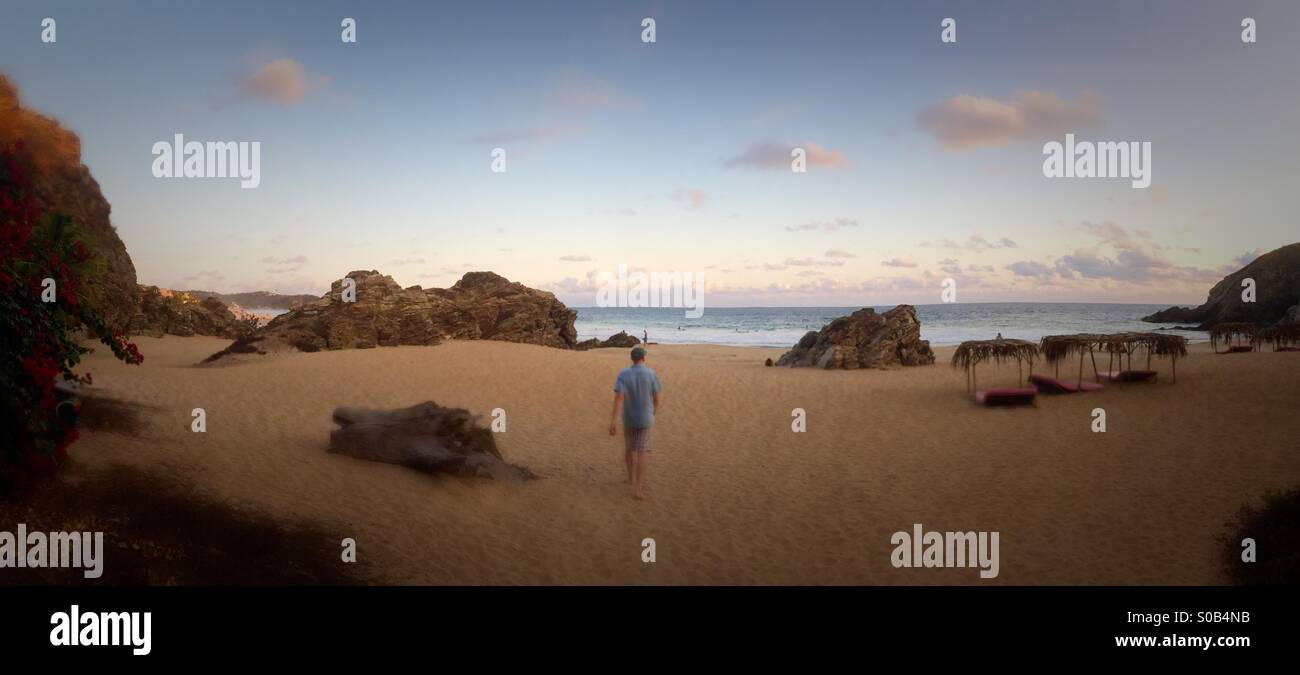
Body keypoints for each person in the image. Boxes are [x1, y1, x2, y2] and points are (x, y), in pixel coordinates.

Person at [608, 346, 661, 499]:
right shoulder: (651, 374)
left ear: (632, 358)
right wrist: (653, 412)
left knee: (630, 448)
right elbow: (657, 399)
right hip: (645, 417)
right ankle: (637, 488)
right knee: (642, 451)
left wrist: (613, 421)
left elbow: (619, 398)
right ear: (644, 358)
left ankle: (630, 477)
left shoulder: (624, 374)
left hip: (629, 417)